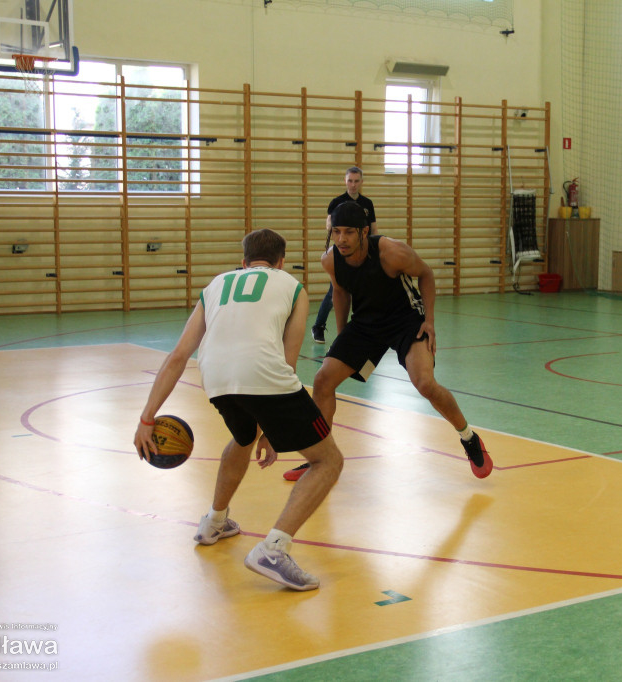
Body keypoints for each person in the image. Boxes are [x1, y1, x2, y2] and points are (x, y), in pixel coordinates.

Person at [134, 228, 343, 591]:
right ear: (280, 262)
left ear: (243, 262)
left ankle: (214, 521)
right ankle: (273, 550)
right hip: (263, 374)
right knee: (328, 461)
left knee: (243, 438)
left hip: (215, 376)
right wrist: (275, 429)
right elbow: (287, 361)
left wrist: (146, 417)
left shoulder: (215, 285)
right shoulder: (293, 286)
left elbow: (178, 355)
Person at [284, 201, 493, 482]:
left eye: (348, 232)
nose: (341, 239)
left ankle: (468, 437)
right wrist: (343, 334)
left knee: (425, 383)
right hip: (366, 323)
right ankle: (320, 459)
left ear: (364, 231)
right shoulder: (330, 260)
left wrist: (429, 321)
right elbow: (340, 292)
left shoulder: (392, 252)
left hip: (406, 320)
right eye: (336, 232)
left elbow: (426, 274)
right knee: (323, 380)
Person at [311, 166, 377, 345]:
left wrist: (373, 248)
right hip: (344, 251)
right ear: (345, 181)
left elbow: (373, 228)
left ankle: (363, 328)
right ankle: (319, 326)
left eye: (356, 181)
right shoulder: (337, 202)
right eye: (350, 181)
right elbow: (329, 225)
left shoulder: (367, 203)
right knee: (335, 290)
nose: (353, 185)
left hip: (363, 252)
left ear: (361, 182)